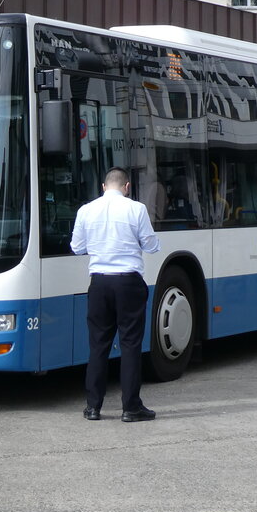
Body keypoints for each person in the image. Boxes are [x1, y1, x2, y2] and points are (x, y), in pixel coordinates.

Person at [70, 167, 161, 423]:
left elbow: (77, 248)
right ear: (127, 186)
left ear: (103, 187)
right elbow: (151, 246)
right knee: (130, 345)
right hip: (128, 282)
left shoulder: (86, 210)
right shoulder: (137, 209)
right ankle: (131, 408)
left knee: (98, 344)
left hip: (99, 283)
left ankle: (92, 407)